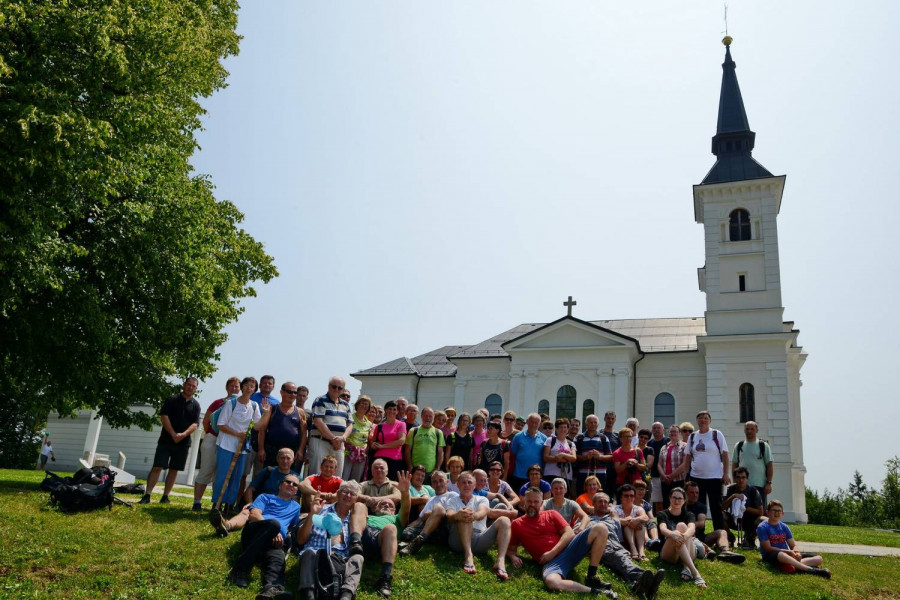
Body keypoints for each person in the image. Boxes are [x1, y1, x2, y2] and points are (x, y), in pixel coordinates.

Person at [506, 487, 617, 597]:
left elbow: (569, 533)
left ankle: (591, 576)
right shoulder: (517, 524)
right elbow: (511, 549)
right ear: (524, 501)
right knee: (552, 582)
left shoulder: (551, 514)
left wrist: (552, 552)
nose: (532, 505)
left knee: (601, 528)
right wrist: (513, 557)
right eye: (529, 501)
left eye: (536, 502)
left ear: (541, 503)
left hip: (569, 549)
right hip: (551, 564)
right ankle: (596, 591)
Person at [225, 473, 301, 599]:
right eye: (288, 482)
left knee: (278, 556)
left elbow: (292, 527)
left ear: (296, 490)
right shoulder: (265, 497)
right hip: (254, 534)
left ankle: (272, 589)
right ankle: (239, 570)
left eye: (295, 484)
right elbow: (254, 515)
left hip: (273, 543)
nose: (291, 485)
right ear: (280, 485)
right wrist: (274, 531)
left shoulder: (296, 507)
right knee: (274, 524)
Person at [295, 480, 368, 600]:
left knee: (357, 558)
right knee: (308, 552)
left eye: (352, 494)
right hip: (316, 553)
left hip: (341, 558)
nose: (348, 496)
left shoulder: (355, 519)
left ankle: (346, 595)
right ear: (338, 493)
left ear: (356, 499)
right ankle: (309, 594)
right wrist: (312, 514)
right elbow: (301, 540)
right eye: (345, 492)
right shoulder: (321, 509)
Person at [591, 492, 666, 600]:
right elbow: (579, 534)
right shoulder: (587, 519)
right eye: (600, 501)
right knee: (621, 559)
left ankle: (638, 585)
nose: (603, 504)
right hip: (603, 547)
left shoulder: (613, 519)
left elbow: (634, 520)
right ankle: (645, 578)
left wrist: (636, 520)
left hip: (617, 546)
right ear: (593, 504)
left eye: (605, 502)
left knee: (623, 561)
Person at [212, 448, 301, 537]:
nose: (285, 461)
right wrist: (250, 502)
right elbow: (250, 489)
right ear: (277, 459)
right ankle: (226, 525)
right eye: (282, 458)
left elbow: (295, 499)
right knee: (246, 513)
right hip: (262, 504)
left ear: (293, 460)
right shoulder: (268, 471)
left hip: (280, 510)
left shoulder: (297, 478)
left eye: (288, 458)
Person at [140, 377, 201, 504]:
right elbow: (164, 417)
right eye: (188, 385)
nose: (190, 387)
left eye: (193, 386)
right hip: (166, 440)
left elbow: (195, 424)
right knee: (157, 467)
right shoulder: (172, 400)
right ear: (184, 385)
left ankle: (165, 496)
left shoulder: (196, 405)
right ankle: (147, 495)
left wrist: (183, 434)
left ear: (196, 388)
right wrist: (173, 433)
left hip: (183, 443)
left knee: (174, 470)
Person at [209, 377, 265, 513]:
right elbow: (221, 424)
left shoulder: (254, 406)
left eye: (252, 386)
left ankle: (229, 504)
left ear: (254, 390)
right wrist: (237, 433)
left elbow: (257, 426)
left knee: (237, 476)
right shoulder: (231, 403)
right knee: (223, 474)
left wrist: (266, 413)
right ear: (242, 387)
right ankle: (217, 504)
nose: (248, 388)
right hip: (226, 444)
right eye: (246, 385)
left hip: (243, 448)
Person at [445, 470, 513, 579]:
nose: (466, 485)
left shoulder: (482, 499)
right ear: (458, 485)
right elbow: (449, 516)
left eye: (469, 482)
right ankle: (468, 556)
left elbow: (483, 512)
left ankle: (500, 561)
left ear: (474, 485)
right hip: (458, 542)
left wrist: (474, 516)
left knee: (505, 520)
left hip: (479, 540)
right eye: (463, 482)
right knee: (464, 514)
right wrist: (458, 515)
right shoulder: (452, 500)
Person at [672, 410, 730, 532]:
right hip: (696, 478)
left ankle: (719, 533)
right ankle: (699, 534)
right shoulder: (693, 436)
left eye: (705, 418)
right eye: (700, 418)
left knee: (716, 507)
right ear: (697, 421)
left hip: (714, 477)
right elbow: (688, 456)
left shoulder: (716, 434)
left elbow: (725, 454)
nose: (703, 420)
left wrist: (726, 473)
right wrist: (686, 475)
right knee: (698, 507)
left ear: (710, 421)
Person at [360, 471, 414, 598]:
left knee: (390, 528)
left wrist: (405, 493)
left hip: (381, 540)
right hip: (362, 533)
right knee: (359, 506)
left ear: (394, 510)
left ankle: (385, 578)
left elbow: (406, 508)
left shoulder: (397, 519)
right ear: (375, 509)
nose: (386, 505)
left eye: (390, 505)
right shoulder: (368, 516)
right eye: (382, 504)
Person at [193, 377, 240, 510]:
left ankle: (216, 504)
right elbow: (206, 421)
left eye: (237, 387)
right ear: (227, 388)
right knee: (206, 470)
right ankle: (197, 502)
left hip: (228, 443)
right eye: (232, 386)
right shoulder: (217, 402)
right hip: (213, 439)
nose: (234, 389)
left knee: (220, 473)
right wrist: (215, 434)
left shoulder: (241, 405)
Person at [757, 499, 831, 578]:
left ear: (782, 514)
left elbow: (793, 545)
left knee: (818, 559)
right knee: (781, 555)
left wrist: (797, 553)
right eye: (774, 510)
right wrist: (789, 552)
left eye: (779, 511)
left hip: (787, 555)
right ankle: (811, 570)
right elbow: (768, 548)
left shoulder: (784, 527)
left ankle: (791, 566)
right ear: (767, 512)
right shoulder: (762, 527)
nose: (776, 513)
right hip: (771, 556)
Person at [398, 470, 458, 556]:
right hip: (429, 529)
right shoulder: (431, 499)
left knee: (438, 508)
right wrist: (405, 529)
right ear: (432, 485)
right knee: (406, 533)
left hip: (445, 529)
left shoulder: (453, 495)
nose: (438, 484)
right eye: (435, 482)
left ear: (447, 482)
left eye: (441, 480)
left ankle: (417, 541)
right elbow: (419, 520)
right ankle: (411, 542)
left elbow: (447, 513)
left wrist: (430, 514)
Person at [656, 487, 706, 589]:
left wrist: (684, 536)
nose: (676, 501)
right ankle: (694, 572)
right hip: (669, 553)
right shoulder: (662, 514)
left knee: (682, 526)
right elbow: (662, 529)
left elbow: (692, 528)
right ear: (670, 498)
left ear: (684, 501)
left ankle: (686, 567)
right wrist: (673, 534)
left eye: (680, 498)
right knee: (677, 531)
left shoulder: (689, 514)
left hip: (687, 549)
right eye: (674, 498)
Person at [239, 374, 277, 498]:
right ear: (259, 385)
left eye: (269, 383)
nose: (267, 385)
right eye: (264, 383)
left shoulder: (276, 403)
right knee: (242, 474)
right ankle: (238, 502)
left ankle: (254, 502)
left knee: (259, 475)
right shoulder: (251, 397)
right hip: (248, 440)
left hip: (265, 443)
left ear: (273, 386)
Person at [308, 376, 353, 480]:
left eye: (340, 388)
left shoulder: (345, 405)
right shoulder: (320, 400)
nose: (336, 389)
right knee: (316, 474)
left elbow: (350, 424)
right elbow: (318, 421)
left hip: (339, 444)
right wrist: (333, 439)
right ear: (329, 387)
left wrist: (343, 438)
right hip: (321, 441)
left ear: (343, 390)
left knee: (337, 477)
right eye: (334, 386)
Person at [257, 381, 306, 468]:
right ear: (281, 392)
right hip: (272, 451)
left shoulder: (300, 412)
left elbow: (304, 433)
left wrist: (301, 450)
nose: (293, 395)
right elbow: (262, 430)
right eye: (289, 392)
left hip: (292, 452)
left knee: (289, 479)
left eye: (295, 392)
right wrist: (261, 449)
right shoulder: (272, 409)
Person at [732, 420, 773, 506]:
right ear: (744, 430)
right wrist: (734, 481)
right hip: (742, 484)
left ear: (757, 430)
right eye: (747, 429)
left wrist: (768, 483)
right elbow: (734, 465)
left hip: (759, 484)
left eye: (752, 429)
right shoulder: (738, 445)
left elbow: (769, 465)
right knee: (741, 510)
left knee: (759, 511)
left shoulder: (763, 446)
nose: (749, 431)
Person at [723, 466, 764, 549]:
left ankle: (750, 538)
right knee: (720, 515)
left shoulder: (753, 491)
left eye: (743, 477)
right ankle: (729, 537)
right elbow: (722, 507)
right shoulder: (729, 490)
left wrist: (745, 508)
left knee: (763, 520)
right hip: (734, 519)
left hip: (749, 520)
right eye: (738, 477)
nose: (741, 480)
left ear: (747, 479)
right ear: (734, 479)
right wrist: (733, 497)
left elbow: (760, 512)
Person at [507, 413, 547, 492]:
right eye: (532, 422)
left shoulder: (544, 438)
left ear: (539, 424)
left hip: (536, 477)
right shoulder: (518, 436)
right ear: (527, 422)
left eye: (536, 422)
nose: (533, 424)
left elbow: (544, 457)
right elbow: (512, 455)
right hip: (519, 475)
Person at [575, 415, 613, 495]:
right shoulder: (579, 438)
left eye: (595, 422)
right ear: (586, 424)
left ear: (598, 424)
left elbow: (610, 457)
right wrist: (585, 457)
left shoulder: (603, 438)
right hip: (583, 474)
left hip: (601, 474)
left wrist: (600, 457)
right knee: (582, 495)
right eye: (590, 422)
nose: (593, 424)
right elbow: (574, 457)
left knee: (599, 496)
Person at [370, 400, 406, 480]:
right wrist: (373, 445)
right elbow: (373, 441)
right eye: (390, 409)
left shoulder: (401, 424)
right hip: (378, 459)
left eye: (394, 409)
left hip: (394, 459)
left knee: (390, 484)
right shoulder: (379, 426)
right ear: (385, 410)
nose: (392, 411)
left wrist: (383, 446)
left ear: (397, 412)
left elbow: (401, 441)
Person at [404, 406, 445, 475]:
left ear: (433, 417)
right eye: (426, 416)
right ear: (421, 416)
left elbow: (440, 452)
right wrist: (410, 466)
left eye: (430, 416)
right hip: (415, 470)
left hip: (431, 471)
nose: (428, 418)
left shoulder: (438, 433)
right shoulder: (413, 431)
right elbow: (407, 450)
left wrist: (437, 468)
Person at [614, 484, 649, 561]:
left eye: (632, 496)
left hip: (636, 537)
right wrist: (629, 521)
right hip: (622, 538)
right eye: (626, 496)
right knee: (628, 524)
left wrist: (636, 520)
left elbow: (645, 517)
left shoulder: (638, 508)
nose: (629, 498)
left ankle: (641, 552)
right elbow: (615, 520)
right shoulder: (615, 509)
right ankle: (633, 550)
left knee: (641, 525)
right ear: (621, 497)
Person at [543, 418, 577, 495]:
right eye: (561, 427)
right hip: (551, 474)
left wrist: (563, 455)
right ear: (557, 429)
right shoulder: (550, 440)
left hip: (566, 475)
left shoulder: (571, 444)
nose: (563, 429)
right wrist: (557, 459)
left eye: (565, 427)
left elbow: (574, 458)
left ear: (568, 429)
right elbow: (545, 457)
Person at [343, 395, 373, 482]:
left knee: (355, 481)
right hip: (348, 453)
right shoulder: (350, 418)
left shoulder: (369, 424)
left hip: (361, 455)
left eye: (366, 404)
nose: (364, 406)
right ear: (357, 405)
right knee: (344, 477)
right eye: (362, 403)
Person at [657, 424, 686, 509]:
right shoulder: (664, 447)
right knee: (666, 503)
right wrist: (664, 476)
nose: (673, 433)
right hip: (665, 481)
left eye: (675, 431)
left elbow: (684, 464)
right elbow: (659, 464)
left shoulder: (684, 446)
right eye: (671, 431)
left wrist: (671, 476)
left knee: (679, 503)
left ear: (679, 433)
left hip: (678, 480)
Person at [612, 428, 646, 494]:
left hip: (637, 483)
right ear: (621, 439)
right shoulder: (617, 453)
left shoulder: (638, 451)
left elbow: (644, 467)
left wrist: (636, 464)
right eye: (626, 436)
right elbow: (618, 470)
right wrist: (626, 463)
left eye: (630, 436)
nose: (628, 439)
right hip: (622, 483)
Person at [646, 423, 668, 513]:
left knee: (667, 500)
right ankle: (659, 521)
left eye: (659, 428)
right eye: (654, 428)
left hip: (667, 475)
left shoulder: (668, 441)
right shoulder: (649, 443)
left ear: (663, 430)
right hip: (654, 476)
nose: (656, 430)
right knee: (658, 501)